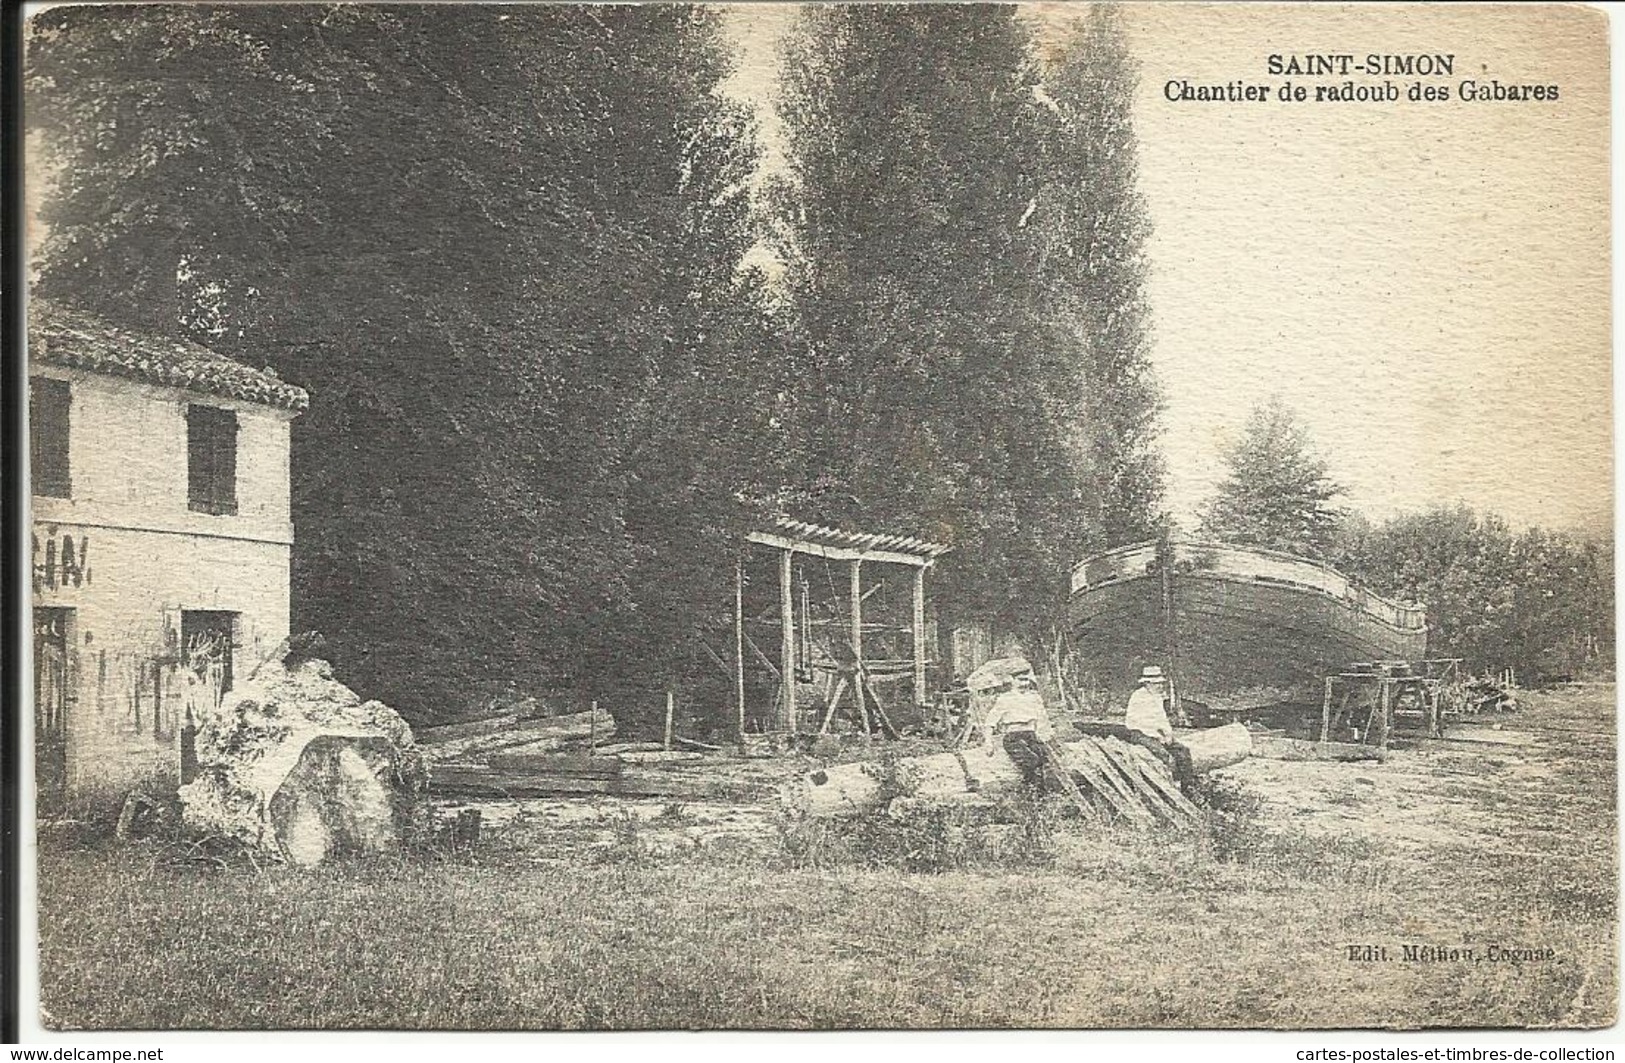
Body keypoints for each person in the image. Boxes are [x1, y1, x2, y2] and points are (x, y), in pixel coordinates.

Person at [1125, 664, 1173, 743]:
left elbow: (1162, 719)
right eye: (1156, 683)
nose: (1160, 686)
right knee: (1162, 753)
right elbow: (1142, 722)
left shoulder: (1157, 696)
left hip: (1155, 733)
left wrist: (1168, 734)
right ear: (1147, 683)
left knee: (1182, 749)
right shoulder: (1139, 696)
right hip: (1139, 733)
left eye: (1161, 683)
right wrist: (1157, 736)